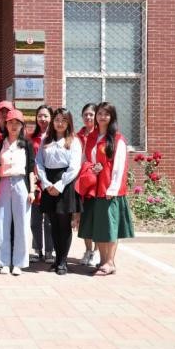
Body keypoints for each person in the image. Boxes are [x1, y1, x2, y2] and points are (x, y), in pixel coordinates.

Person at [78, 102, 134, 276]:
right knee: (99, 228)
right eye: (100, 113)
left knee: (110, 227)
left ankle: (110, 262)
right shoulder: (92, 137)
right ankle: (102, 261)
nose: (102, 117)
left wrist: (113, 188)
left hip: (108, 190)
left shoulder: (117, 139)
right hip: (93, 189)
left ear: (112, 117)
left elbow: (119, 166)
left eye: (106, 114)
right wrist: (91, 168)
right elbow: (84, 160)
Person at [35, 108, 83, 276]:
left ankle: (63, 260)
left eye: (64, 120)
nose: (60, 123)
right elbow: (39, 162)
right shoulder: (45, 140)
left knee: (64, 224)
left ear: (69, 122)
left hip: (65, 183)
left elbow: (75, 167)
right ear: (53, 122)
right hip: (48, 182)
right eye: (57, 120)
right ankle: (56, 260)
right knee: (53, 223)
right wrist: (46, 183)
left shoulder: (74, 141)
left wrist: (59, 185)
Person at [0, 109, 36, 276]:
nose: (13, 126)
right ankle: (4, 262)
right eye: (10, 122)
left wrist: (32, 190)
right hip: (4, 183)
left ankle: (19, 263)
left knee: (22, 224)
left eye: (17, 123)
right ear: (5, 124)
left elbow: (31, 169)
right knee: (2, 222)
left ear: (22, 126)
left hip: (21, 183)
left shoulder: (27, 144)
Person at [29, 105, 55, 264]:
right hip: (35, 183)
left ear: (51, 118)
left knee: (50, 220)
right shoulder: (31, 138)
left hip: (50, 183)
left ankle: (49, 251)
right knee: (35, 219)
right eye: (40, 116)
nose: (42, 119)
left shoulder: (55, 137)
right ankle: (37, 249)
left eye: (45, 116)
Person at [77, 103, 100, 267]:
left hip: (97, 180)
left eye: (91, 114)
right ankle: (87, 250)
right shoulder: (78, 135)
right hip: (82, 180)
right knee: (85, 217)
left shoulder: (100, 135)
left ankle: (97, 251)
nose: (88, 117)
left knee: (96, 217)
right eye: (85, 114)